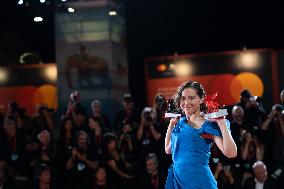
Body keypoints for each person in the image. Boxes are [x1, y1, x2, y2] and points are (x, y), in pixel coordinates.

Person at [165, 81, 237, 189]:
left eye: (191, 98)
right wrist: (171, 126)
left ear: (201, 99)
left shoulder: (209, 124)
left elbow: (231, 153)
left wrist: (222, 124)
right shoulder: (179, 123)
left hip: (199, 181)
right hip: (178, 180)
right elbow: (168, 150)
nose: (186, 102)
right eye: (183, 98)